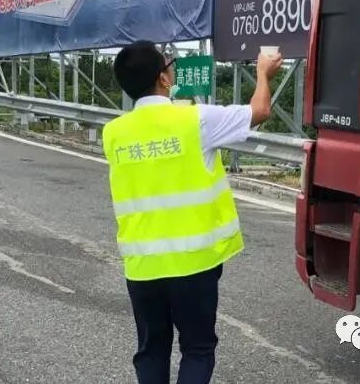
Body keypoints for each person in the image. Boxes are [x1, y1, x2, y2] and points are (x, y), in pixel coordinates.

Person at [102, 41, 283, 384]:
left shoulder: (113, 133)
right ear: (163, 78)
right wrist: (263, 73)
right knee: (197, 349)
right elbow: (259, 110)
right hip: (194, 264)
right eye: (169, 65)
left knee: (151, 350)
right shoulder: (195, 120)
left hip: (142, 265)